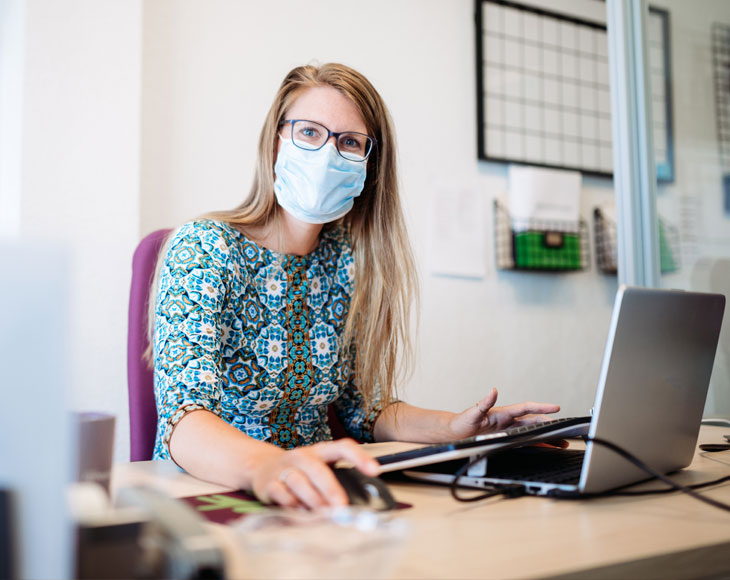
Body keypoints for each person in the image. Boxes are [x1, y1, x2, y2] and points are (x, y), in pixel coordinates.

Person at [150, 62, 560, 509]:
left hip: (324, 494)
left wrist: (458, 428)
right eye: (308, 132)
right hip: (212, 490)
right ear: (275, 142)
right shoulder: (204, 249)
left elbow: (364, 410)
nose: (327, 154)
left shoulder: (349, 262)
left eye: (349, 142)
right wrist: (267, 466)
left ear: (369, 165)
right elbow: (183, 421)